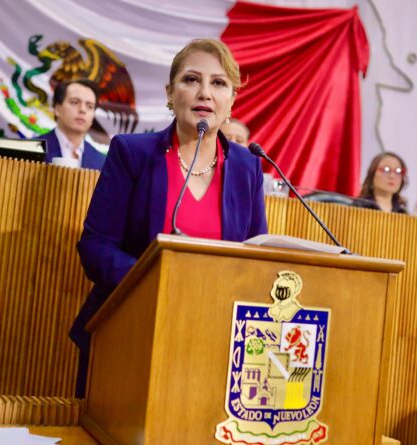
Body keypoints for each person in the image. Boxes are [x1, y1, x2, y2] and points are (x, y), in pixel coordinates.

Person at [70, 38, 268, 397]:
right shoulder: (133, 153)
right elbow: (96, 246)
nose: (204, 92)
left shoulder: (247, 167)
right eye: (191, 79)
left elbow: (256, 260)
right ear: (170, 93)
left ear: (231, 100)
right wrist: (156, 285)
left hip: (214, 345)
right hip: (129, 334)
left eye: (218, 83)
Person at [36, 79, 106, 170]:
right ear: (57, 109)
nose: (83, 110)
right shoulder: (31, 150)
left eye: (89, 106)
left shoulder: (102, 162)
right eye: (75, 102)